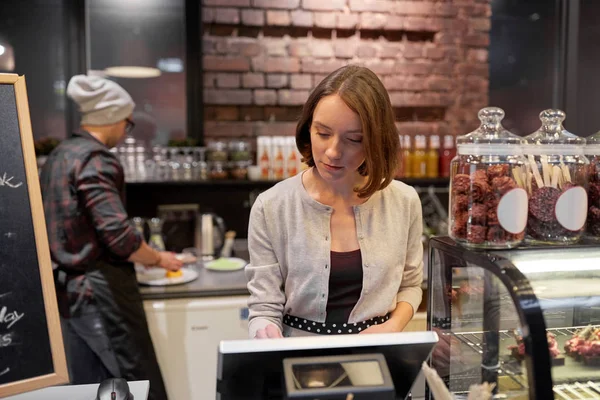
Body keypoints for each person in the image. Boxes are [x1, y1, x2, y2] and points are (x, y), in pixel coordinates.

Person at [246, 65, 424, 339]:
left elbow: (411, 285)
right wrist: (265, 331)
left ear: (376, 141)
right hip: (299, 356)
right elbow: (264, 305)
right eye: (323, 133)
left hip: (381, 355)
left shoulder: (403, 201)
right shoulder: (272, 207)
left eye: (353, 139)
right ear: (308, 129)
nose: (333, 152)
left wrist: (392, 326)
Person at [40, 75, 182, 399]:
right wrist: (160, 258)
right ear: (114, 118)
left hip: (68, 293)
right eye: (128, 124)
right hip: (100, 294)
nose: (125, 132)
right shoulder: (96, 158)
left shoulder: (60, 155)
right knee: (133, 386)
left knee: (91, 389)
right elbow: (119, 236)